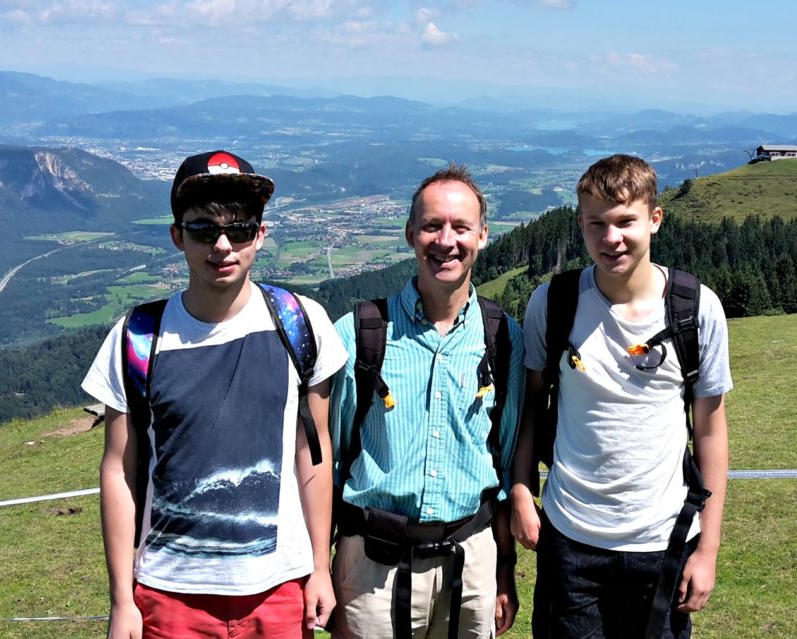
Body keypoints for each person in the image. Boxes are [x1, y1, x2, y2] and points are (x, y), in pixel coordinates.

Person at [82, 150, 347, 639]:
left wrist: (320, 569)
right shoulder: (136, 337)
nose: (222, 245)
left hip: (280, 589)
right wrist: (122, 599)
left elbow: (313, 452)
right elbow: (119, 468)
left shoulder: (302, 322)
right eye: (203, 229)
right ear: (177, 236)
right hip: (169, 593)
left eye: (240, 228)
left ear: (260, 235)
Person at [510, 154, 731, 638]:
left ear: (655, 219)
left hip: (664, 541)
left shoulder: (696, 309)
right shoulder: (553, 302)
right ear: (581, 226)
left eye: (625, 220)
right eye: (597, 224)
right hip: (570, 539)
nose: (611, 238)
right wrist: (523, 493)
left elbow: (711, 430)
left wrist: (708, 549)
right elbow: (530, 407)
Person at [329, 165, 525, 638]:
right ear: (410, 233)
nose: (446, 240)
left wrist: (504, 571)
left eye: (460, 227)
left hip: (472, 562)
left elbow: (504, 461)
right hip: (372, 566)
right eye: (433, 225)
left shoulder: (502, 338)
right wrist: (319, 568)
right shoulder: (358, 335)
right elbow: (326, 465)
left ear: (482, 234)